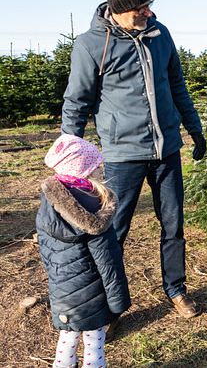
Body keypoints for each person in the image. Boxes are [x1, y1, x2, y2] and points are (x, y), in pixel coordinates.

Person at [60, 0, 206, 320]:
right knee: (113, 231)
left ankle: (176, 289)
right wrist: (69, 156)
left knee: (173, 225)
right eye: (141, 6)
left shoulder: (160, 34)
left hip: (166, 150)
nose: (149, 12)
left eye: (149, 4)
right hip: (122, 156)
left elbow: (177, 87)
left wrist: (195, 129)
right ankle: (106, 307)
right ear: (120, 6)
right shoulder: (91, 45)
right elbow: (76, 101)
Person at [37, 134, 131, 368]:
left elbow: (46, 253)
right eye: (96, 166)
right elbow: (108, 262)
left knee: (67, 337)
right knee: (94, 341)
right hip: (92, 292)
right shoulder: (95, 211)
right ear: (85, 171)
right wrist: (118, 301)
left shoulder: (48, 205)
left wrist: (57, 280)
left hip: (62, 290)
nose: (101, 169)